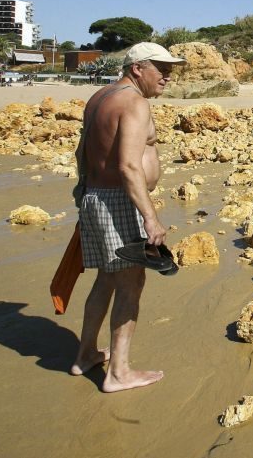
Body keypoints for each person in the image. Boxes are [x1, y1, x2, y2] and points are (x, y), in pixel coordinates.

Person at [70, 42, 185, 392]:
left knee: (107, 278)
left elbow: (83, 150)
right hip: (120, 201)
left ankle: (85, 354)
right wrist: (149, 218)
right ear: (137, 68)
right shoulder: (135, 102)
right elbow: (129, 166)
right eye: (160, 68)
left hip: (96, 197)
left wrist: (84, 193)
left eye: (171, 69)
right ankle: (118, 372)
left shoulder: (101, 96)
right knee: (130, 286)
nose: (168, 75)